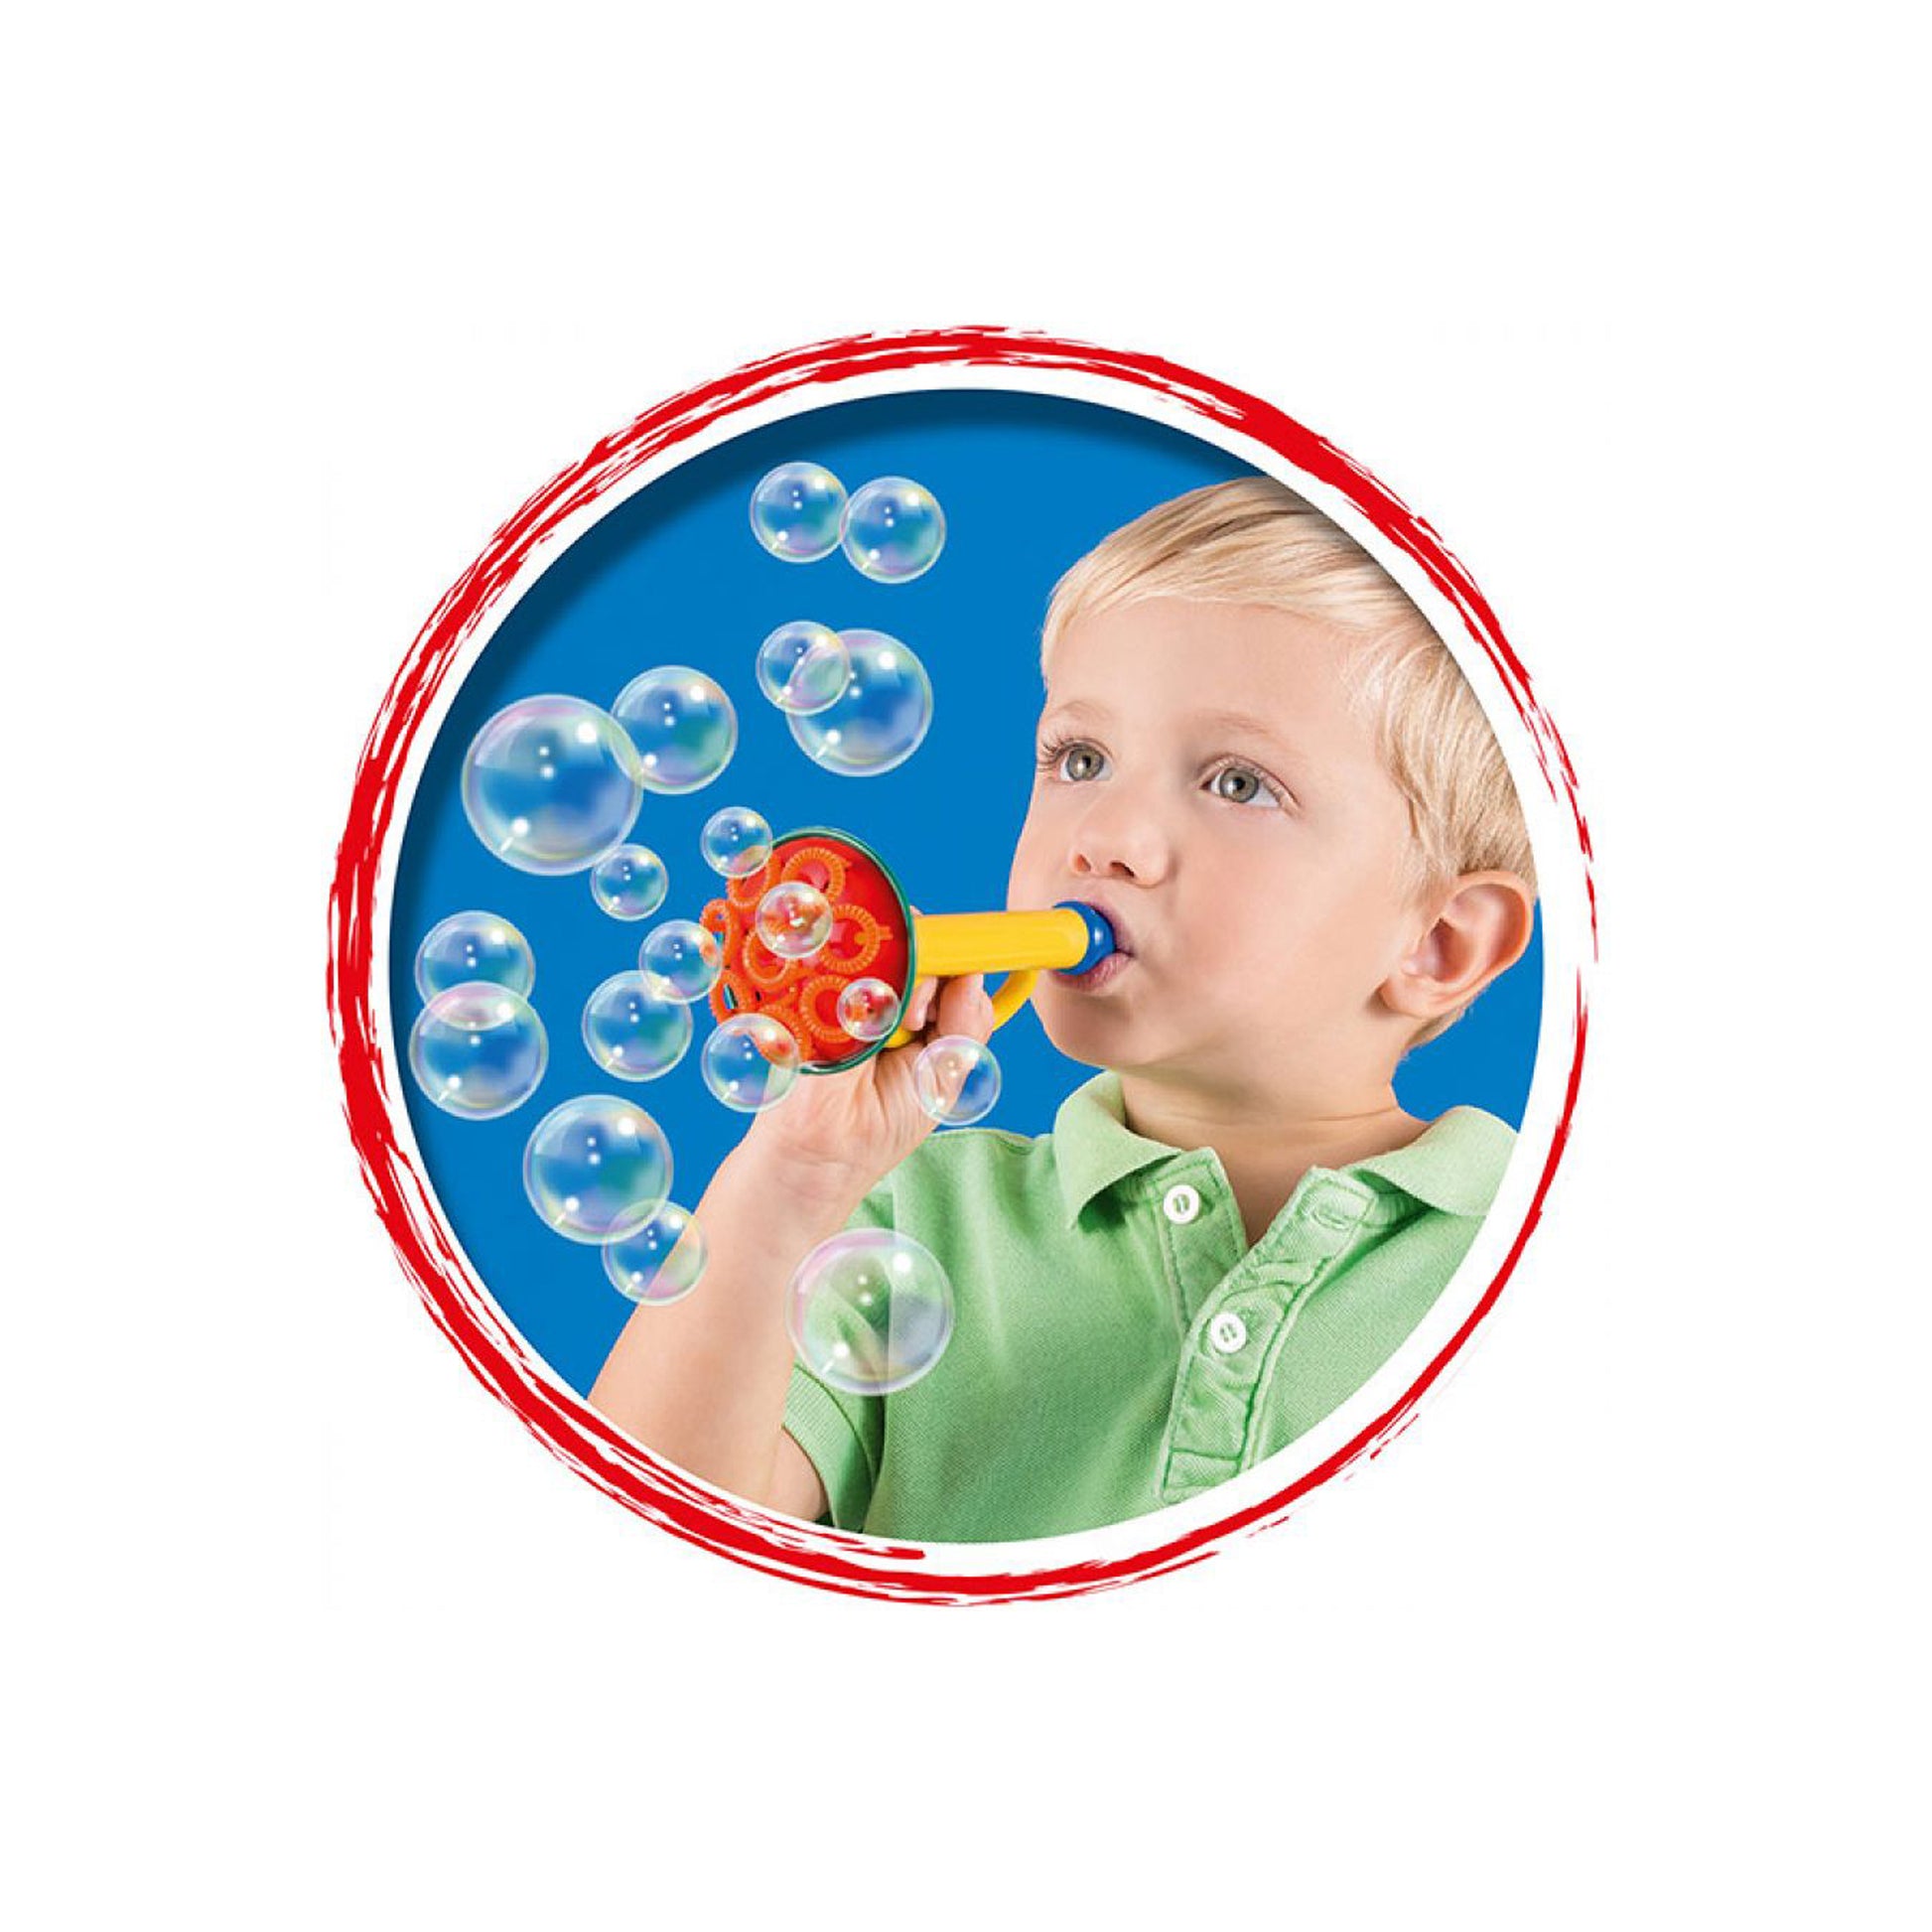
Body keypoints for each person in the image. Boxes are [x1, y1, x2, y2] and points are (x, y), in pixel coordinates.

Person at [589, 477, 1538, 1541]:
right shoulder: (910, 1218)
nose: (1102, 837)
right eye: (1079, 760)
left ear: (1439, 943)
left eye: (1236, 783)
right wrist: (793, 1180)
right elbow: (655, 1547)